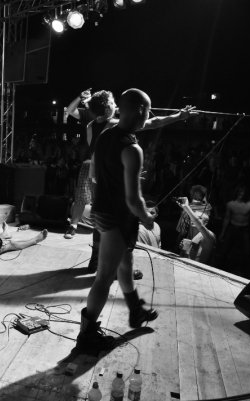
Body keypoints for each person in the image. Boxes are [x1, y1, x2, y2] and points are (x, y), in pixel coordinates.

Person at [64, 88, 197, 272]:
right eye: (113, 103)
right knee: (121, 221)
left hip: (97, 176)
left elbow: (100, 152)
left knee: (101, 218)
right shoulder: (113, 125)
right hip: (110, 179)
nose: (116, 105)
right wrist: (178, 116)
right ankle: (121, 267)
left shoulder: (90, 126)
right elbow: (153, 122)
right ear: (107, 109)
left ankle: (95, 261)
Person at [75, 88, 158, 354]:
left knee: (125, 263)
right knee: (104, 277)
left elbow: (98, 176)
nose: (149, 116)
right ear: (141, 111)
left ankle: (135, 310)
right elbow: (134, 199)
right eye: (148, 111)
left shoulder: (106, 136)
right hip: (116, 218)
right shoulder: (132, 149)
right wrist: (147, 218)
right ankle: (86, 336)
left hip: (104, 212)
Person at [219, 185, 250, 275]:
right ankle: (221, 267)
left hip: (244, 229)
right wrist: (222, 233)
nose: (241, 194)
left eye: (243, 193)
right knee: (225, 249)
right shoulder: (231, 204)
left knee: (246, 251)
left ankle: (244, 272)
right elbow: (227, 218)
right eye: (240, 192)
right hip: (233, 227)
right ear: (236, 193)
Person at [176, 197, 216, 264]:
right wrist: (183, 249)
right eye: (192, 218)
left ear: (205, 223)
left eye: (199, 218)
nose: (193, 219)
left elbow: (200, 225)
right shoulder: (191, 234)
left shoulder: (209, 236)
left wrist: (187, 207)